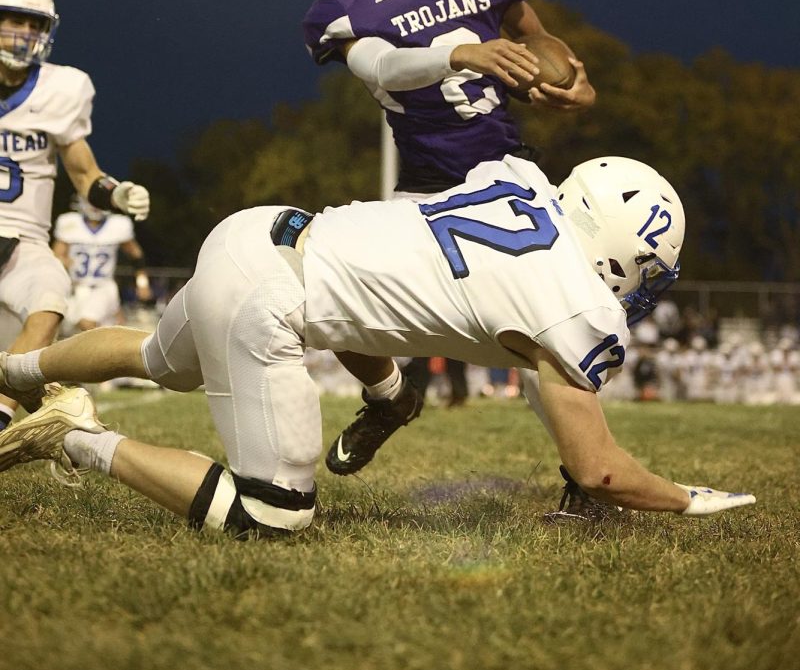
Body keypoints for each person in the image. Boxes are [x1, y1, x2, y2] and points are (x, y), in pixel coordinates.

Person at [0, 153, 755, 536]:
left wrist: (390, 393)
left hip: (263, 228)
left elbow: (378, 294)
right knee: (273, 515)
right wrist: (685, 499)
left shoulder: (514, 184)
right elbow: (600, 473)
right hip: (269, 296)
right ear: (624, 257)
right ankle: (73, 435)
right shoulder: (572, 302)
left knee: (158, 361)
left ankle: (12, 367)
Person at [302, 0, 596, 492]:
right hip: (425, 190)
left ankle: (586, 478)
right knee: (314, 288)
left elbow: (542, 42)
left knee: (553, 335)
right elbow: (380, 67)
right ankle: (389, 396)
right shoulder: (353, 6)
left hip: (508, 183)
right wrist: (459, 52)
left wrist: (571, 80)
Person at [0, 0, 150, 430]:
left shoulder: (61, 89)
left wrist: (115, 192)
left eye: (35, 24)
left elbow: (83, 172)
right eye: (16, 20)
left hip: (22, 242)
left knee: (50, 295)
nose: (26, 33)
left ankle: (1, 415)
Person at [52, 195, 150, 335]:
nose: (95, 206)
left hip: (104, 287)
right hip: (76, 288)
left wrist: (142, 283)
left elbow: (135, 254)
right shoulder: (69, 222)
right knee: (67, 331)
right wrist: (62, 261)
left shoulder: (118, 225)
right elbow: (57, 255)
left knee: (87, 323)